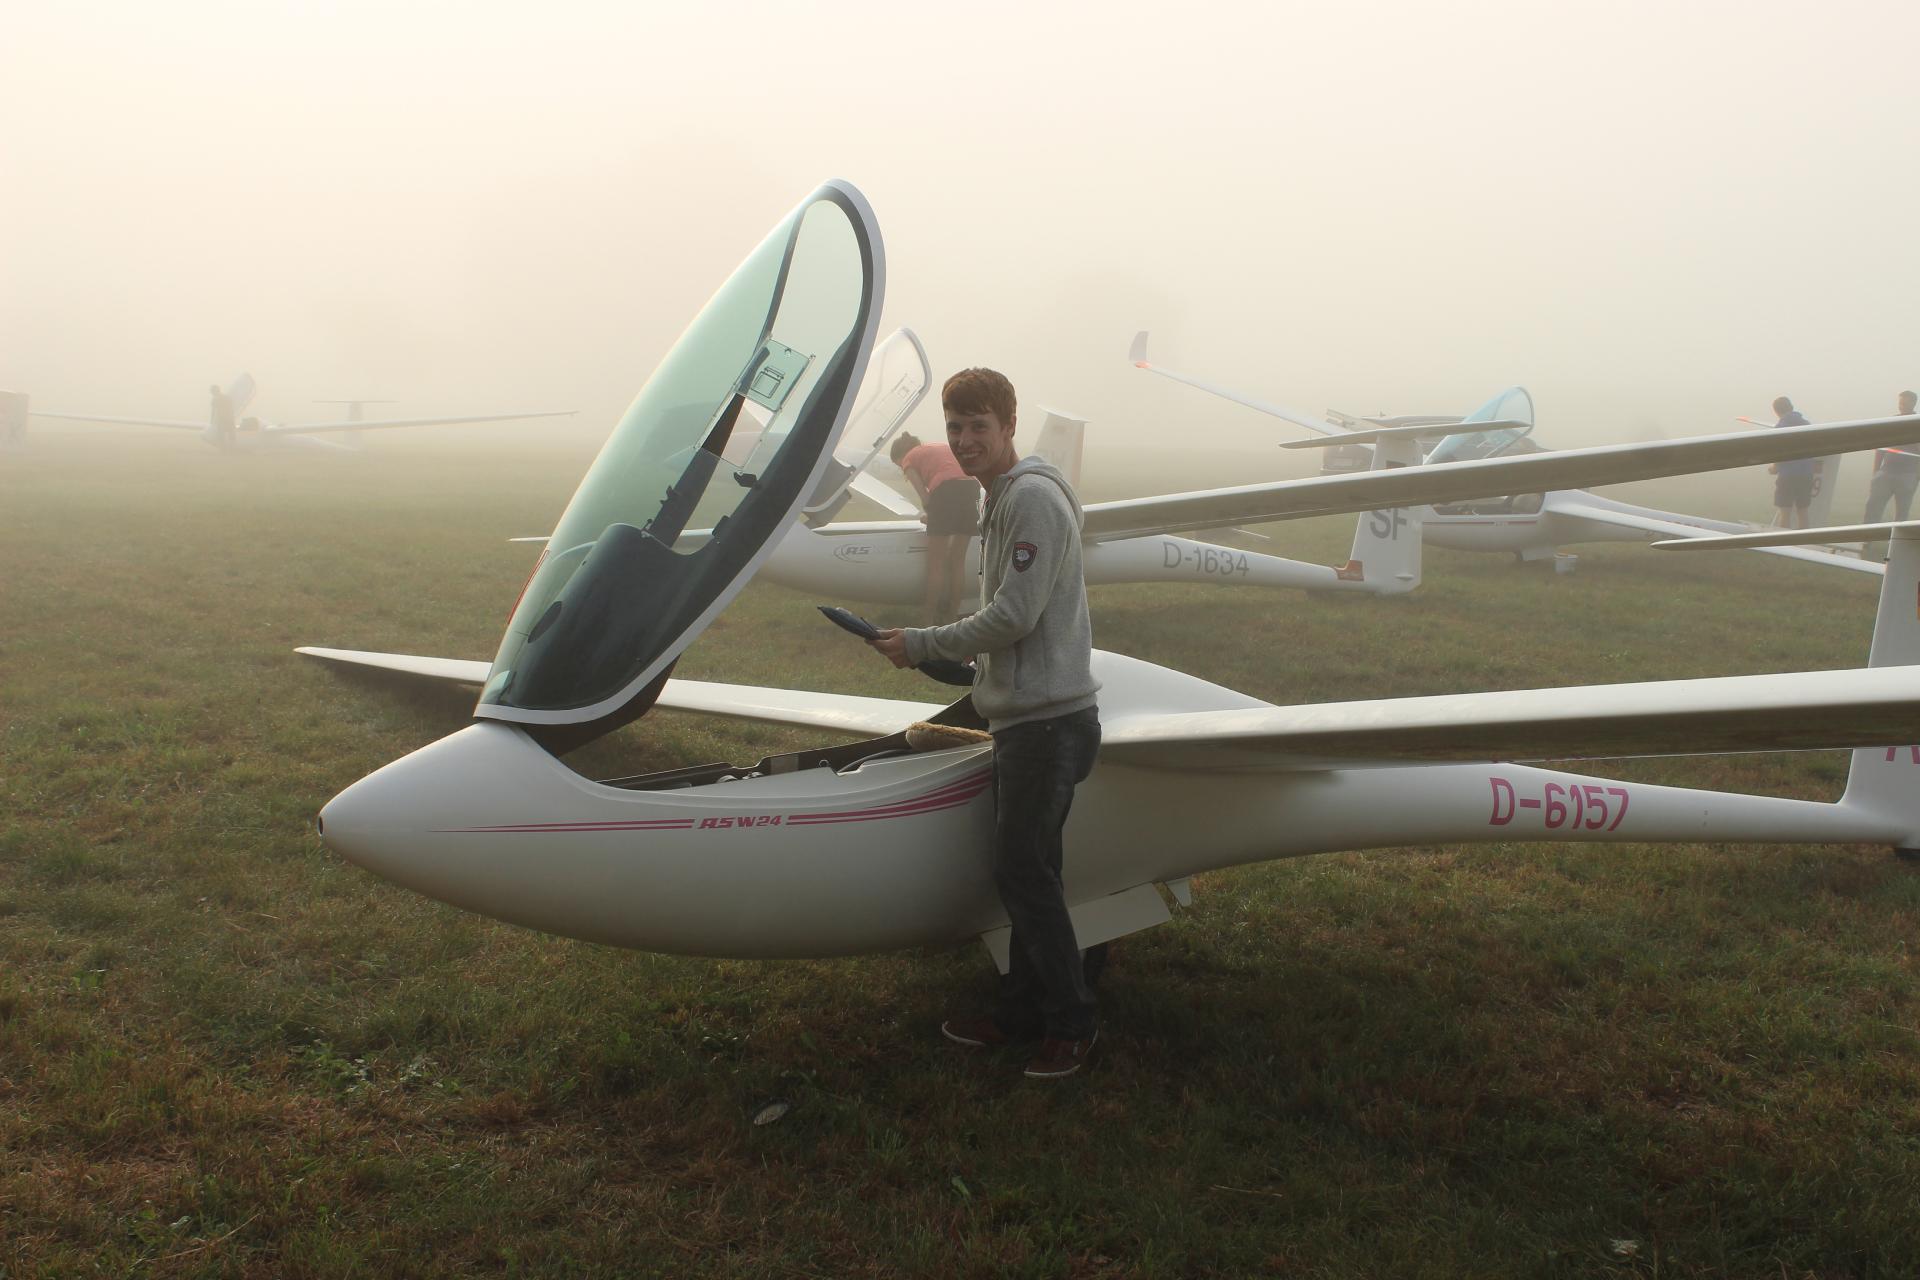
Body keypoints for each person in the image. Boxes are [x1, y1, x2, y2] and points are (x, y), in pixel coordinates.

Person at [867, 367, 1103, 1080]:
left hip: (1047, 724)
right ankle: (1021, 1012)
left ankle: (1072, 1023)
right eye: (955, 428)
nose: (965, 440)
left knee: (1023, 872)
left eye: (978, 426)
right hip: (1028, 716)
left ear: (1009, 426)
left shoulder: (1030, 498)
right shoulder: (1002, 495)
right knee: (1031, 872)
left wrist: (925, 643)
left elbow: (1014, 616)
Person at [890, 430, 977, 622]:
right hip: (971, 489)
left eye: (898, 465)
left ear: (900, 457)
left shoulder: (909, 459)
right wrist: (935, 516)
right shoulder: (936, 448)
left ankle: (928, 617)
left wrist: (931, 515)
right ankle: (952, 615)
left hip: (946, 491)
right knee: (957, 560)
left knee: (936, 562)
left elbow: (926, 498)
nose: (902, 469)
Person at [1863, 390, 1920, 562]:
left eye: (1905, 403)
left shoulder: (1917, 423)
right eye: (1900, 402)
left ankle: (1895, 545)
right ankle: (1867, 540)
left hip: (1908, 475)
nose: (1902, 406)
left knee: (1901, 513)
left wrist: (1916, 477)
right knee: (1873, 507)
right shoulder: (1892, 422)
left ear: (1913, 403)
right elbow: (1881, 447)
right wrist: (1876, 472)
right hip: (1886, 472)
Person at [1767, 396, 1816, 529]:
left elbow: (1779, 453)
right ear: (1791, 407)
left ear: (1776, 411)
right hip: (1806, 475)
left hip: (1788, 475)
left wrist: (1774, 468)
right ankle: (1804, 538)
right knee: (1803, 512)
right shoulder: (1807, 424)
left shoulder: (1780, 427)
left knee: (1785, 512)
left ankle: (1784, 539)